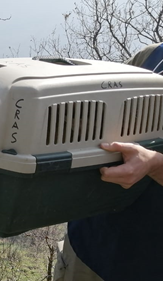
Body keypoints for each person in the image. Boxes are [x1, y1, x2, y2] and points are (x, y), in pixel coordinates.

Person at [54, 42, 163, 281]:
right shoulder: (154, 55)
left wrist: (155, 165)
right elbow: (102, 103)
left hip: (148, 266)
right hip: (85, 247)